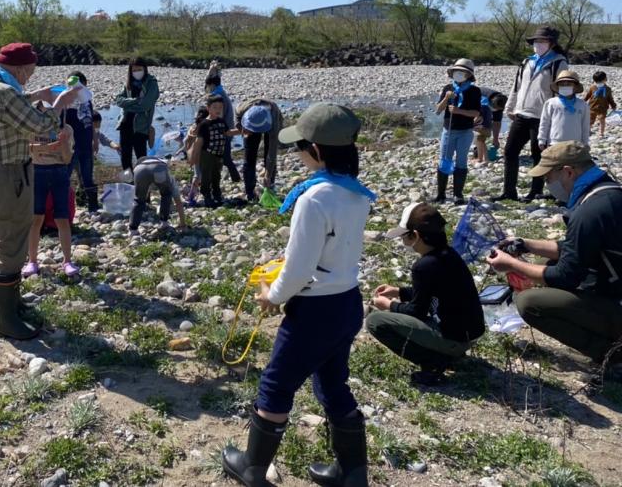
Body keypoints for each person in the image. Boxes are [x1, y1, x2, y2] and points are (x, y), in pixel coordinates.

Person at [222, 103, 375, 487]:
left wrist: (272, 295)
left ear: (318, 151)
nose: (297, 153)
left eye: (300, 146)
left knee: (275, 384)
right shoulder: (356, 194)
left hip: (315, 310)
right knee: (332, 382)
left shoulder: (314, 198)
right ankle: (353, 473)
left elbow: (301, 268)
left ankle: (253, 468)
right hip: (347, 303)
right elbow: (327, 253)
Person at [0, 42, 79, 340]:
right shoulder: (5, 93)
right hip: (10, 177)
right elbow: (42, 124)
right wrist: (59, 102)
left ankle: (14, 305)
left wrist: (37, 95)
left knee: (13, 239)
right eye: (29, 72)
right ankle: (7, 320)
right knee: (10, 243)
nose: (29, 78)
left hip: (2, 174)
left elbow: (14, 106)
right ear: (19, 68)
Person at [486, 142, 622, 369]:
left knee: (529, 302)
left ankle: (611, 354)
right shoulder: (608, 192)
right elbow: (577, 247)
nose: (548, 185)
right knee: (545, 263)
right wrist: (526, 244)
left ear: (568, 171)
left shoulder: (589, 212)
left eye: (548, 178)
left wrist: (510, 265)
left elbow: (565, 276)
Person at [367, 202, 486, 385]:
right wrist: (399, 291)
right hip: (468, 334)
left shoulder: (423, 266)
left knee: (376, 322)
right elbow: (432, 291)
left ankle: (433, 362)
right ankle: (448, 353)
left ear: (416, 236)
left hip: (454, 338)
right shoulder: (448, 254)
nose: (404, 242)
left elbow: (416, 311)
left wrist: (389, 305)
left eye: (405, 237)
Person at [497, 27, 569, 202]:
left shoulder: (559, 63)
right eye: (536, 41)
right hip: (521, 114)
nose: (537, 44)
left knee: (538, 155)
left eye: (542, 41)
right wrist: (510, 108)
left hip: (543, 117)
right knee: (510, 152)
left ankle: (535, 191)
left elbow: (563, 91)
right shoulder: (526, 62)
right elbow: (517, 87)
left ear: (551, 43)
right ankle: (509, 192)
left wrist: (559, 117)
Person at [23, 101, 80, 279]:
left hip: (59, 172)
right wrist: (44, 147)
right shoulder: (30, 128)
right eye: (43, 111)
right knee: (36, 218)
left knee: (62, 218)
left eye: (52, 111)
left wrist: (62, 142)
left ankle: (67, 261)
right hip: (37, 172)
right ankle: (32, 261)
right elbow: (23, 150)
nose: (48, 115)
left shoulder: (67, 129)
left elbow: (67, 158)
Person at [434, 58, 481, 205]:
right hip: (448, 131)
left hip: (465, 132)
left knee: (461, 161)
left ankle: (458, 194)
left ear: (468, 75)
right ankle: (440, 194)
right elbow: (437, 110)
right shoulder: (448, 88)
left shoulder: (474, 91)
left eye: (462, 72)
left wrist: (459, 111)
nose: (458, 74)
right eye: (456, 71)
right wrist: (446, 99)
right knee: (444, 161)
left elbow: (475, 113)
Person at [190, 95, 236, 207]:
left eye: (220, 107)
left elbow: (227, 132)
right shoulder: (204, 124)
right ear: (208, 108)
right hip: (207, 154)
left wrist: (241, 131)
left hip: (218, 153)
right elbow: (198, 142)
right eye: (215, 107)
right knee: (206, 175)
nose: (218, 110)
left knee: (216, 174)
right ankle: (206, 195)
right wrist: (194, 156)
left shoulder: (221, 121)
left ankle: (217, 193)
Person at [114, 58, 159, 171]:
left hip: (141, 126)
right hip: (125, 124)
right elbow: (118, 100)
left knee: (141, 157)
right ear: (130, 71)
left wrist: (127, 104)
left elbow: (146, 105)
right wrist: (135, 100)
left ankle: (142, 181)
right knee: (125, 156)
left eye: (139, 69)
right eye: (134, 70)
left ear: (145, 69)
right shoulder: (128, 83)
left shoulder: (151, 83)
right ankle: (129, 182)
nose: (137, 72)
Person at [64, 71, 99, 211]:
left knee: (87, 176)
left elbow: (90, 122)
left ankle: (93, 206)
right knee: (65, 175)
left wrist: (95, 140)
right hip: (71, 146)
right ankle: (64, 206)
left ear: (85, 85)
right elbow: (60, 125)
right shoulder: (65, 102)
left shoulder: (87, 100)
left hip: (86, 144)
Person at [234, 99, 283, 201]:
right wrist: (241, 128)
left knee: (268, 157)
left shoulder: (274, 121)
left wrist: (268, 174)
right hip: (249, 125)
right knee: (249, 157)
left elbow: (272, 152)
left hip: (272, 123)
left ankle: (269, 187)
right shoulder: (243, 108)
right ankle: (250, 193)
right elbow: (237, 116)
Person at [128, 156, 188, 232]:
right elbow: (178, 201)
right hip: (159, 168)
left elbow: (140, 194)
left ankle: (133, 230)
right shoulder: (166, 171)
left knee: (139, 200)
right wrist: (182, 223)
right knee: (166, 194)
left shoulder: (138, 165)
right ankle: (164, 223)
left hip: (140, 170)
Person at [538, 70, 590, 151]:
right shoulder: (551, 103)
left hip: (575, 144)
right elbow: (544, 122)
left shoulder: (583, 105)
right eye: (562, 84)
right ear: (558, 87)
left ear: (575, 87)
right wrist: (541, 140)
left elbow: (585, 126)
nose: (565, 86)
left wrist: (585, 143)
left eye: (569, 84)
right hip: (554, 143)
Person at [205, 71, 242, 185]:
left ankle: (235, 178)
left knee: (224, 158)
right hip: (228, 128)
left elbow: (217, 116)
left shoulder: (218, 97)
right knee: (225, 157)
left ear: (211, 85)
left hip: (223, 131)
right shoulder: (221, 92)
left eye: (208, 86)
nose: (207, 89)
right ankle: (234, 178)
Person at [474, 88, 507, 165]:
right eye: (495, 108)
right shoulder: (479, 98)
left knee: (480, 139)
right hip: (481, 119)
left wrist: (495, 139)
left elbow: (497, 122)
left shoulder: (501, 102)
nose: (497, 110)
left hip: (483, 126)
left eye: (499, 109)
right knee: (480, 140)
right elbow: (476, 114)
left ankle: (482, 158)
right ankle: (482, 157)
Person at [584, 70, 617, 138]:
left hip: (603, 107)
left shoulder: (607, 89)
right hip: (592, 107)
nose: (598, 82)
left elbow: (610, 98)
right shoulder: (592, 87)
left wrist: (613, 105)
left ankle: (601, 133)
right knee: (591, 120)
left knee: (602, 120)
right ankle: (588, 130)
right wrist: (583, 101)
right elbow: (588, 95)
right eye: (597, 81)